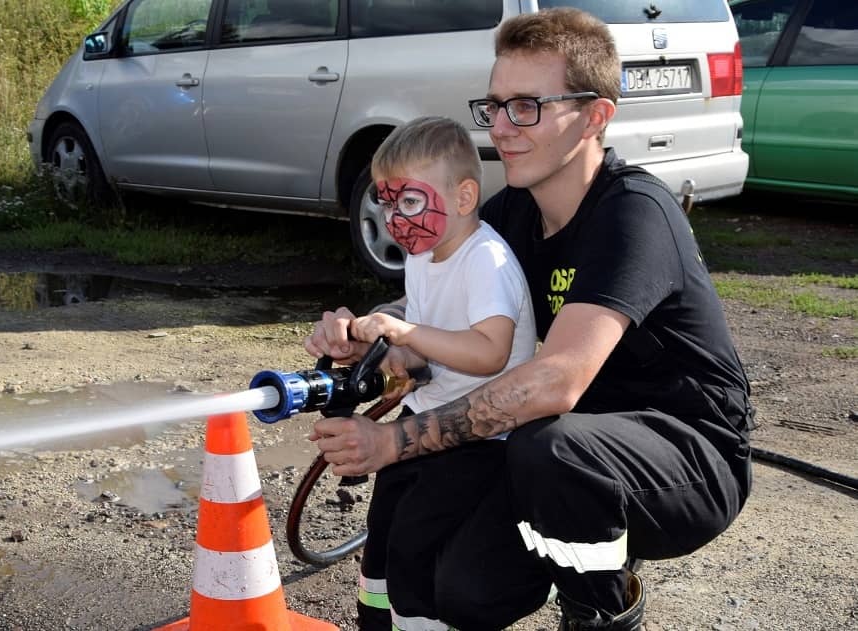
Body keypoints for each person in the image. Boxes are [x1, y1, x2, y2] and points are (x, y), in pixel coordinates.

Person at [304, 8, 752, 631]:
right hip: (569, 445)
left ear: (595, 117)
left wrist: (393, 442)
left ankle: (600, 607)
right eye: (494, 106)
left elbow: (555, 381)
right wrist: (370, 334)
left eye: (527, 107)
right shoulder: (515, 211)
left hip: (686, 456)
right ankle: (573, 537)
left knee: (552, 449)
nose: (501, 128)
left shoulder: (633, 215)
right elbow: (441, 302)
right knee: (464, 592)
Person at [324, 115, 537, 629]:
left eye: (409, 202)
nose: (394, 218)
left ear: (463, 198)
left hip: (477, 438)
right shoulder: (424, 253)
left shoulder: (485, 261)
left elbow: (490, 353)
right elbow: (422, 349)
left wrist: (406, 332)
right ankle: (377, 620)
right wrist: (364, 345)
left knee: (416, 547)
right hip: (424, 416)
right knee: (383, 537)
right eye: (386, 203)